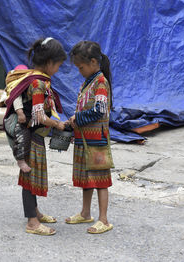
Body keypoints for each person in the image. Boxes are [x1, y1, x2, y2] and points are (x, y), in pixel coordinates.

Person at [4, 37, 66, 235]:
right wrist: (57, 124)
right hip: (30, 136)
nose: (58, 69)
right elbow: (39, 116)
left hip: (34, 136)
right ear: (49, 63)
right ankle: (32, 222)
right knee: (30, 176)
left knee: (31, 175)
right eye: (58, 65)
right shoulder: (38, 83)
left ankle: (35, 212)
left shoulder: (35, 78)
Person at [65, 41, 113, 234]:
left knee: (100, 178)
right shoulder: (89, 82)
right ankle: (86, 213)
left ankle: (104, 219)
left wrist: (78, 117)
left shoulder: (101, 82)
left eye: (81, 67)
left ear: (93, 62)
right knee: (87, 177)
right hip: (85, 138)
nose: (79, 70)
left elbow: (100, 110)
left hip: (97, 140)